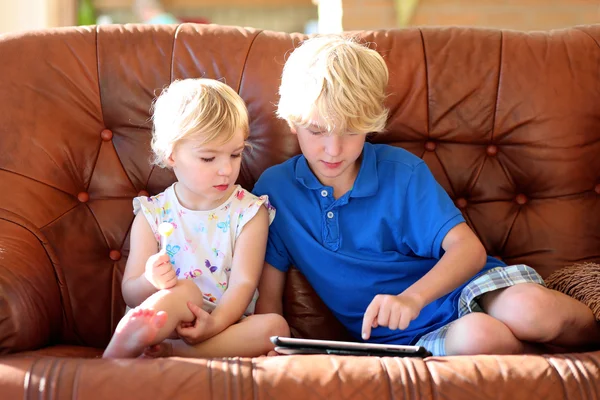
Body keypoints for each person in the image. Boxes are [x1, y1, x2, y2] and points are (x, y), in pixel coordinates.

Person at [252, 35, 600, 357]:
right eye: (316, 131)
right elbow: (269, 300)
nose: (333, 149)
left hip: (470, 289)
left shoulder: (400, 171)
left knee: (530, 310)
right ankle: (534, 353)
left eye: (351, 131)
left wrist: (411, 299)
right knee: (481, 338)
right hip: (409, 339)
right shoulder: (276, 191)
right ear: (293, 121)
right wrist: (270, 349)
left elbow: (467, 250)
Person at [103, 78, 289, 359]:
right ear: (171, 155)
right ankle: (123, 349)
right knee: (186, 290)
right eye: (208, 158)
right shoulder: (152, 213)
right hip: (164, 317)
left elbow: (243, 284)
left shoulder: (249, 212)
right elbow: (130, 293)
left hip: (225, 323)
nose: (226, 169)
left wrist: (214, 324)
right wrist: (151, 280)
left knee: (276, 327)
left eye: (235, 154)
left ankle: (169, 353)